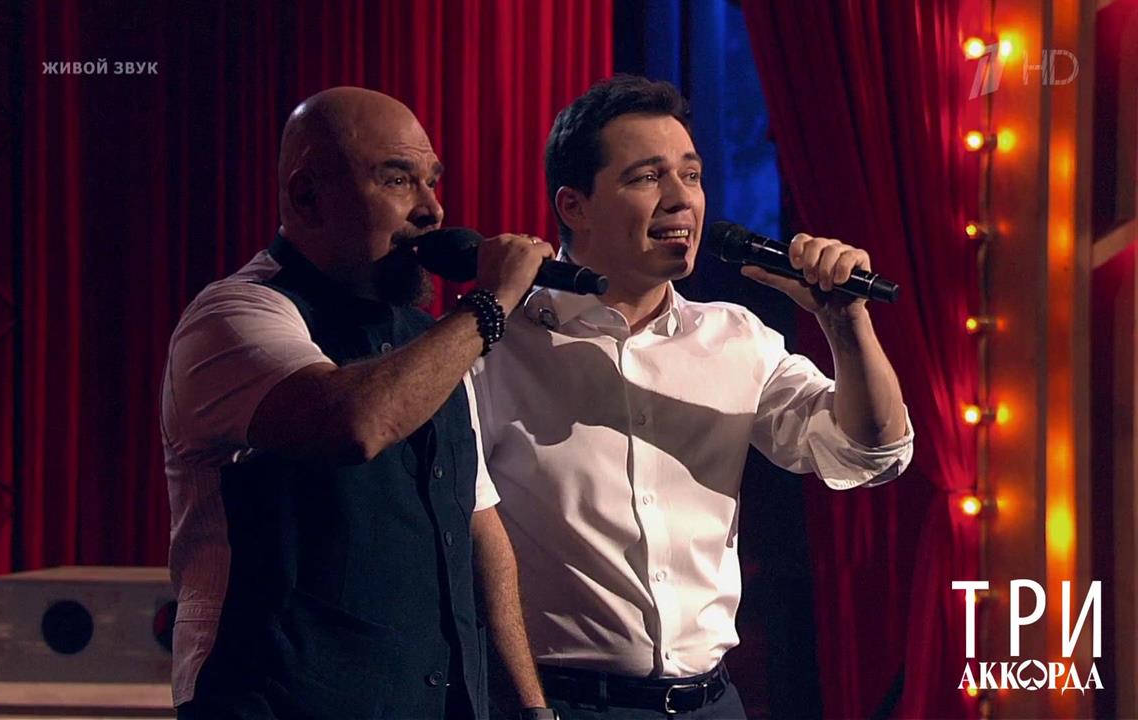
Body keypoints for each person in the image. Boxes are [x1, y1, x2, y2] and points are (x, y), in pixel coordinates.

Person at [471, 75, 914, 719]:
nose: (682, 200)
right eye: (648, 177)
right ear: (574, 205)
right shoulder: (495, 345)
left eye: (692, 175)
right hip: (560, 703)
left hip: (712, 702)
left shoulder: (734, 337)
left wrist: (845, 323)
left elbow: (870, 453)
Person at [161, 87, 554, 719]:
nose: (433, 209)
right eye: (397, 179)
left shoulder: (431, 342)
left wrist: (530, 708)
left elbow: (479, 529)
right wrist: (492, 303)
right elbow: (354, 424)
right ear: (307, 197)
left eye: (432, 181)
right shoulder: (234, 316)